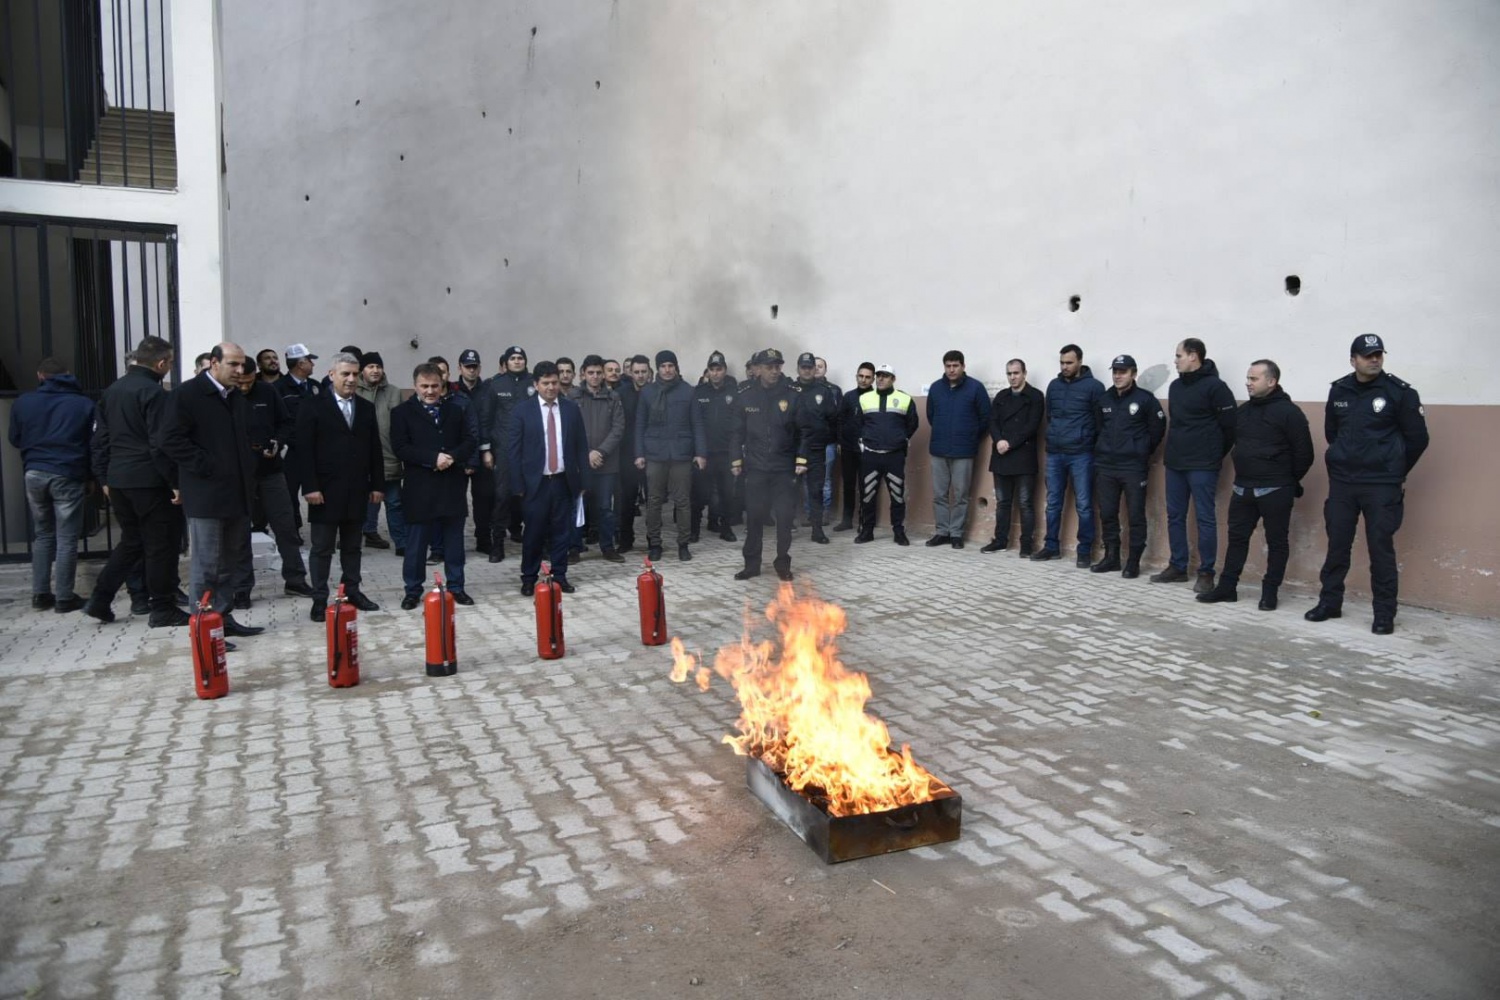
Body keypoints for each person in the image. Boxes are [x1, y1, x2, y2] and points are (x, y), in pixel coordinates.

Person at [1305, 334, 1429, 634]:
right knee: (1337, 546)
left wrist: (1393, 467)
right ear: (1353, 360)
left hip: (1381, 485)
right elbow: (1333, 433)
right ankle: (1330, 603)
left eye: (1378, 355)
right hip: (1344, 484)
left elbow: (1418, 439)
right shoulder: (1339, 390)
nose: (1374, 359)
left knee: (1380, 549)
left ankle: (1384, 614)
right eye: (1367, 355)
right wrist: (1343, 459)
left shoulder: (1399, 393)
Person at [157, 343, 265, 641]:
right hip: (206, 495)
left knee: (229, 562)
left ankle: (223, 617)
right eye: (233, 364)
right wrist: (206, 465)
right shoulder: (188, 394)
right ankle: (204, 628)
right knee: (207, 566)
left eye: (242, 365)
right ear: (213, 363)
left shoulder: (234, 397)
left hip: (237, 493)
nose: (240, 371)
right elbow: (169, 439)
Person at [82, 337, 187, 627]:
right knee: (160, 545)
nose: (170, 367)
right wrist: (174, 481)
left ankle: (101, 599)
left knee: (131, 542)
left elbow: (100, 439)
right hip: (149, 480)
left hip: (119, 479)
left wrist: (104, 476)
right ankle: (163, 607)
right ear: (161, 363)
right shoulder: (154, 393)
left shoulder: (112, 390)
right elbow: (159, 442)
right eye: (170, 363)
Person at [1197, 360, 1314, 610]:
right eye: (1248, 378)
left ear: (1271, 381)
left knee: (1276, 542)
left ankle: (1269, 592)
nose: (1248, 383)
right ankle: (1227, 588)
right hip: (1243, 488)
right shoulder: (1243, 411)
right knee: (1237, 540)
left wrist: (1286, 481)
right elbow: (1233, 441)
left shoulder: (1289, 413)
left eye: (1254, 379)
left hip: (1275, 489)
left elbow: (1305, 454)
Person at [297, 352, 385, 620]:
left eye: (354, 374)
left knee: (352, 546)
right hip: (324, 492)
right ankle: (320, 598)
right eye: (345, 374)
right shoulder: (312, 406)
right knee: (322, 548)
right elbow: (304, 450)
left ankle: (352, 591)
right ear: (331, 375)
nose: (350, 379)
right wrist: (310, 487)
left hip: (357, 490)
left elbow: (374, 449)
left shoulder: (366, 408)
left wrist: (377, 484)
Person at [9, 358, 95, 612]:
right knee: (67, 537)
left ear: (40, 375)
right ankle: (65, 597)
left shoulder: (23, 402)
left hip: (34, 472)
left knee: (43, 534)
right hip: (68, 473)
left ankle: (40, 594)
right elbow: (93, 443)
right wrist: (90, 476)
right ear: (68, 374)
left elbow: (14, 438)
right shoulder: (82, 404)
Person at [1152, 338, 1237, 592]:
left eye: (1178, 355)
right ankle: (1178, 566)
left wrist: (1213, 455)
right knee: (1175, 515)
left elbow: (1230, 427)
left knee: (1205, 518)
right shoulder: (1176, 387)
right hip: (1176, 462)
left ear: (1193, 356)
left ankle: (1206, 572)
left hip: (1203, 464)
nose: (1175, 359)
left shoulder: (1216, 387)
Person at [393, 363, 477, 609]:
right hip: (420, 489)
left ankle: (457, 587)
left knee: (454, 543)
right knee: (417, 545)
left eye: (435, 386)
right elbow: (401, 447)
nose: (430, 391)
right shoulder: (401, 413)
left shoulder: (455, 410)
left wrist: (451, 456)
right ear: (416, 386)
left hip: (451, 485)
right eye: (424, 386)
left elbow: (469, 440)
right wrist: (433, 459)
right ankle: (412, 590)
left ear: (443, 386)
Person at [507, 361, 589, 596]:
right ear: (536, 385)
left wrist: (583, 481)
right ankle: (528, 577)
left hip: (563, 480)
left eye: (554, 382)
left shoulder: (571, 409)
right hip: (536, 484)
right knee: (533, 532)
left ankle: (559, 575)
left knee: (562, 532)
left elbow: (581, 446)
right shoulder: (523, 411)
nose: (551, 387)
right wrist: (518, 485)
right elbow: (513, 451)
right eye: (546, 383)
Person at [235, 362, 313, 602]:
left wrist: (277, 441)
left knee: (286, 526)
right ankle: (241, 588)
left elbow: (286, 422)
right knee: (239, 531)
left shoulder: (268, 392)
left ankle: (295, 579)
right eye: (241, 383)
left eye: (249, 381)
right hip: (238, 474)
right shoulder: (225, 396)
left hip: (271, 470)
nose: (245, 387)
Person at [730, 348, 807, 580]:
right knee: (754, 518)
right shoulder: (745, 395)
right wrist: (735, 460)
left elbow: (805, 431)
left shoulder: (793, 394)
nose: (774, 371)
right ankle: (752, 565)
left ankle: (782, 563)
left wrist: (801, 460)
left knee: (784, 519)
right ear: (758, 369)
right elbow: (736, 432)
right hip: (756, 468)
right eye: (769, 367)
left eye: (778, 367)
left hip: (784, 468)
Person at [1091, 355, 1165, 576]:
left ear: (1133, 373)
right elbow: (1098, 428)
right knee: (1108, 513)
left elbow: (1158, 429)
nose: (1117, 376)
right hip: (1106, 466)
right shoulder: (1104, 399)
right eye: (1114, 371)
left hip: (1133, 467)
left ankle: (1133, 561)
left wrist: (1141, 449)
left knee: (1135, 515)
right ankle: (1112, 557)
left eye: (1122, 371)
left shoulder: (1145, 400)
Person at [1033, 344, 1104, 566]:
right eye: (1062, 363)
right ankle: (1051, 546)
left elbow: (1099, 421)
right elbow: (1051, 416)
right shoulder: (1053, 386)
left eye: (1069, 363)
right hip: (1055, 452)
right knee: (1053, 502)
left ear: (1080, 362)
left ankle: (1085, 551)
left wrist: (1087, 441)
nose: (1065, 367)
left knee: (1083, 504)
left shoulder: (1095, 387)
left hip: (1082, 454)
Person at [634, 350, 707, 561]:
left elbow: (697, 424)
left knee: (683, 501)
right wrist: (639, 453)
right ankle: (654, 543)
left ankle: (683, 544)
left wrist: (700, 453)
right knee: (654, 501)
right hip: (654, 454)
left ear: (676, 367)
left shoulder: (688, 391)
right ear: (657, 369)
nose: (667, 370)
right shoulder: (647, 392)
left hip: (681, 454)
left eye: (670, 366)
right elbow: (639, 425)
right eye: (663, 366)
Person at [924, 349, 992, 549]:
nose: (951, 370)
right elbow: (931, 415)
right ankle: (942, 532)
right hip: (939, 449)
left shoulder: (975, 388)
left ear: (963, 366)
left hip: (964, 451)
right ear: (944, 367)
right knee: (939, 494)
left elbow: (985, 418)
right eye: (948, 366)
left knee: (961, 494)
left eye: (955, 366)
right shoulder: (936, 388)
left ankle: (956, 533)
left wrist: (971, 437)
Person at [982, 358, 1045, 555]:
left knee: (1025, 503)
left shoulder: (1035, 396)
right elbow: (992, 421)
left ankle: (1026, 544)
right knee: (1003, 503)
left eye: (1016, 373)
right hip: (1001, 456)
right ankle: (1000, 540)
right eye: (1009, 373)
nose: (1012, 377)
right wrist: (999, 440)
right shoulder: (1001, 396)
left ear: (1024, 373)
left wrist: (1010, 443)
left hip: (1023, 456)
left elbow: (1031, 426)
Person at [477, 345, 533, 561]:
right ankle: (497, 544)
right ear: (506, 362)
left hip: (530, 450)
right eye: (513, 358)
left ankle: (537, 541)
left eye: (521, 358)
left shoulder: (533, 383)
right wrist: (487, 450)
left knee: (532, 497)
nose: (517, 361)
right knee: (502, 497)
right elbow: (486, 419)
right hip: (504, 450)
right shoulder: (496, 385)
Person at [854, 363, 919, 545]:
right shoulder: (865, 398)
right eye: (879, 375)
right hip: (871, 455)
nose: (881, 379)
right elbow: (858, 423)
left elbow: (912, 423)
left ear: (893, 379)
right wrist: (866, 440)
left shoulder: (904, 399)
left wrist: (900, 438)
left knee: (897, 496)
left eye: (886, 376)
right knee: (867, 496)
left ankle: (898, 532)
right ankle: (867, 531)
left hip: (894, 456)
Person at [575, 355, 626, 562]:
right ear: (583, 374)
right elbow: (570, 429)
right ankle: (573, 547)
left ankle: (607, 547)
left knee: (605, 508)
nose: (595, 376)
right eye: (591, 373)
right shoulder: (572, 397)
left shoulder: (613, 397)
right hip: (581, 463)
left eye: (598, 372)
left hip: (606, 463)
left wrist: (600, 452)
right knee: (577, 507)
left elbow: (618, 428)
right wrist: (586, 453)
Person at [355, 351, 406, 554]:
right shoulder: (354, 391)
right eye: (370, 367)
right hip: (362, 459)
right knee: (364, 502)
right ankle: (360, 538)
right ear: (362, 370)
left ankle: (401, 543)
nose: (375, 370)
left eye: (378, 366)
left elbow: (402, 425)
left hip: (389, 456)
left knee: (394, 502)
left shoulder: (393, 392)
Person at [691, 351, 739, 544]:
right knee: (699, 494)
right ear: (708, 371)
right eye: (713, 369)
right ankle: (694, 530)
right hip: (704, 454)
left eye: (719, 369)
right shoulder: (699, 392)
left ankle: (726, 529)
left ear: (725, 370)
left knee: (727, 494)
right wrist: (697, 452)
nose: (716, 373)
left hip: (726, 453)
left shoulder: (734, 393)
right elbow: (694, 423)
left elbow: (738, 424)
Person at [793, 352, 841, 544]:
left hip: (815, 449)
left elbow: (833, 419)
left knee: (816, 489)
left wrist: (825, 438)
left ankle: (817, 530)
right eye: (803, 367)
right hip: (793, 450)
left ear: (815, 369)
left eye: (810, 367)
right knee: (788, 489)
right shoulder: (790, 390)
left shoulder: (824, 391)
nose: (807, 370)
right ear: (798, 368)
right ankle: (786, 527)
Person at [452, 348, 493, 553]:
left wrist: (487, 449)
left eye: (474, 366)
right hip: (460, 452)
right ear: (459, 367)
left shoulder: (487, 389)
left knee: (483, 499)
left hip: (483, 450)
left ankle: (484, 539)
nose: (471, 370)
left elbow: (489, 421)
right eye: (467, 366)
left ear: (479, 367)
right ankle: (455, 541)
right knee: (457, 500)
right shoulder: (452, 390)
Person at [276, 343, 320, 532]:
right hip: (291, 451)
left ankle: (320, 528)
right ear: (301, 364)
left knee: (317, 489)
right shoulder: (279, 388)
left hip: (315, 449)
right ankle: (292, 530)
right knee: (288, 493)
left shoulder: (316, 387)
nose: (313, 365)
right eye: (310, 361)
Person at [615, 355, 652, 551]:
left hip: (652, 454)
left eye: (643, 372)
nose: (640, 376)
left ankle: (653, 540)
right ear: (630, 372)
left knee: (652, 501)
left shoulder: (656, 392)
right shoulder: (621, 393)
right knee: (627, 500)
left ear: (649, 372)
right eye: (636, 372)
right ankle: (625, 540)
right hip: (627, 454)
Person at [834, 363, 875, 531]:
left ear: (872, 379)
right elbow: (840, 420)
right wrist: (840, 442)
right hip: (849, 448)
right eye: (861, 376)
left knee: (867, 486)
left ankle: (864, 521)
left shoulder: (876, 396)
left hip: (868, 449)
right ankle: (846, 520)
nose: (863, 380)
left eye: (867, 377)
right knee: (849, 485)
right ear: (856, 376)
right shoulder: (849, 397)